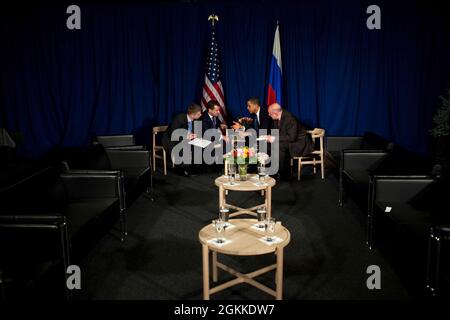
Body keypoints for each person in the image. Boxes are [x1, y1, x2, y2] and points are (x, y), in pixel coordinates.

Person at [264, 103, 314, 180]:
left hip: (299, 142)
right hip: (289, 140)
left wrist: (274, 138)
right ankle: (271, 169)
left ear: (275, 113)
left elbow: (292, 137)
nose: (268, 115)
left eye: (270, 113)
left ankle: (282, 173)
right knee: (268, 145)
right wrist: (269, 137)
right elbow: (276, 133)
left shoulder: (290, 118)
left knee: (280, 146)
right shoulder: (276, 119)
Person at [163, 103, 202, 176]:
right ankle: (183, 169)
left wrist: (195, 136)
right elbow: (174, 134)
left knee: (198, 146)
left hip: (186, 140)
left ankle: (194, 167)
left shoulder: (195, 120)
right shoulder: (179, 119)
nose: (201, 115)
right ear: (192, 114)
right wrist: (186, 137)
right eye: (199, 114)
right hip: (171, 140)